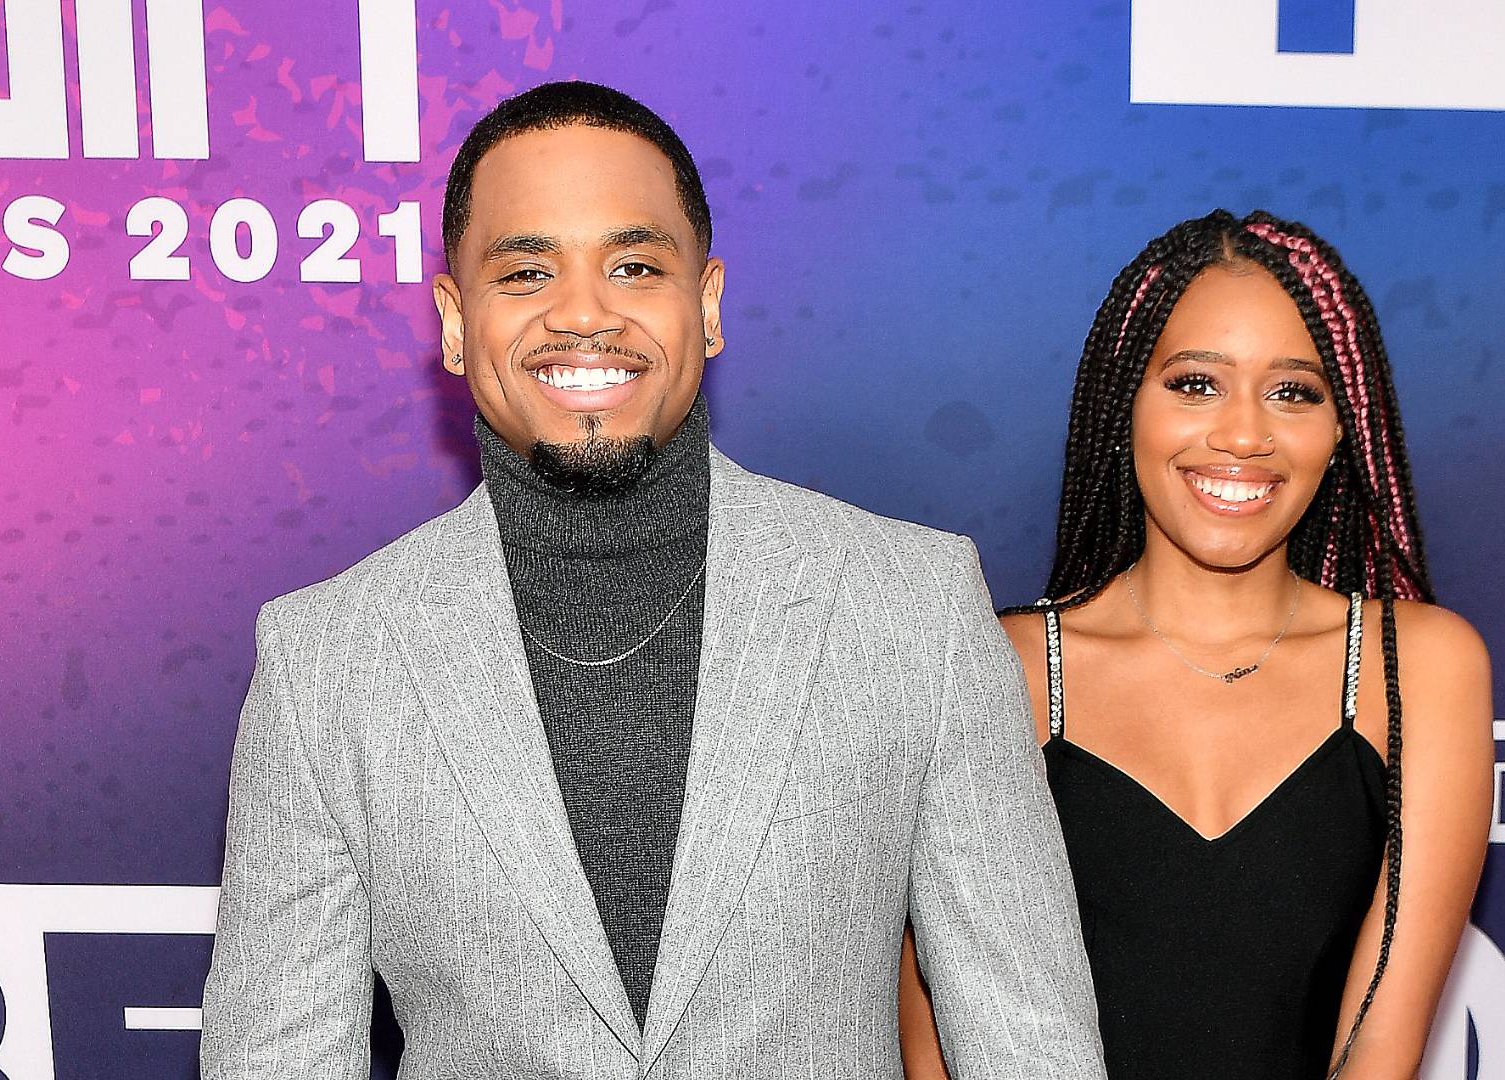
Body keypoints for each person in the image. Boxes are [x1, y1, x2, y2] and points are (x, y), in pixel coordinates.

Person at [200, 81, 1106, 1080]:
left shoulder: (915, 610)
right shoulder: (325, 663)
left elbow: (1033, 1047)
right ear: (454, 322)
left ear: (706, 305)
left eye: (633, 266)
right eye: (526, 272)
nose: (584, 314)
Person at [900, 210, 1492, 1079]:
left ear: (1343, 430)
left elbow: (1380, 1049)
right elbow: (938, 1045)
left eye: (1293, 392)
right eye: (1196, 384)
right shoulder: (998, 666)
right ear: (1123, 405)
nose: (1244, 434)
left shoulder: (1419, 668)